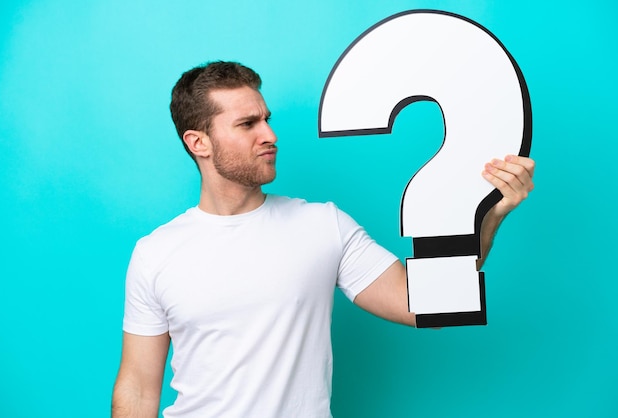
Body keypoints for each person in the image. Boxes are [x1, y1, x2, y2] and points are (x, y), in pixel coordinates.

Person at [112, 61, 535, 417]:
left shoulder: (322, 225)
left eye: (267, 119)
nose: (270, 135)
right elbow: (137, 387)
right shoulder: (156, 253)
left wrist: (490, 217)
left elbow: (421, 300)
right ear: (198, 142)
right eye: (247, 124)